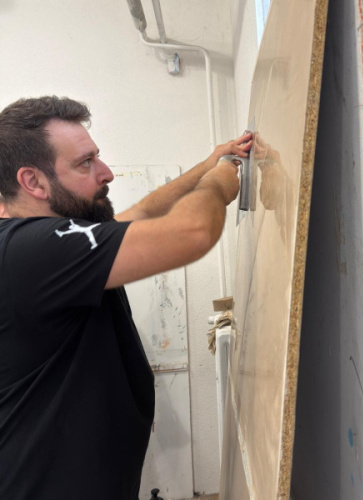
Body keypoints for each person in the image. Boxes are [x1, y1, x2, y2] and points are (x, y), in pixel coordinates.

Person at [0, 96, 252, 499]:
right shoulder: (30, 249)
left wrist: (208, 164)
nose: (106, 173)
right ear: (33, 182)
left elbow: (142, 214)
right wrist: (219, 181)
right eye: (85, 163)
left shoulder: (54, 241)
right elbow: (193, 233)